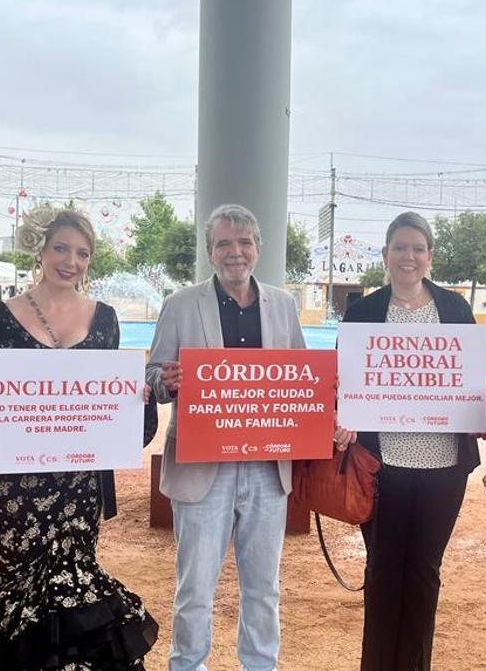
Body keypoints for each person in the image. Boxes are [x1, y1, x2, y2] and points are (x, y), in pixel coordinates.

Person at [0, 210, 158, 669]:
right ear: (40, 251)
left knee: (76, 583)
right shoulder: (1, 317)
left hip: (78, 483)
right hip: (18, 488)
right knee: (21, 587)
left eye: (82, 253)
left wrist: (135, 397)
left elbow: (111, 402)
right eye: (61, 248)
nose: (70, 261)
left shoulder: (105, 319)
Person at [147, 204, 306, 671]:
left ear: (257, 247)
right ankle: (187, 665)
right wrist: (165, 381)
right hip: (201, 469)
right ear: (210, 252)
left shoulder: (284, 304)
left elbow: (300, 378)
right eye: (223, 244)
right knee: (194, 587)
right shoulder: (179, 305)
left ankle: (260, 665)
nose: (235, 253)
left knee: (264, 587)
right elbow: (153, 374)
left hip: (266, 469)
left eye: (243, 243)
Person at [336, 211, 481, 671]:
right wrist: (346, 415)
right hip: (382, 467)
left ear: (429, 256)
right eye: (400, 247)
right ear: (385, 255)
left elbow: (471, 381)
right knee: (382, 572)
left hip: (443, 469)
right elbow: (344, 381)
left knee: (424, 574)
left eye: (418, 248)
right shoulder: (363, 312)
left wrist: (480, 410)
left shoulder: (456, 310)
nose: (409, 257)